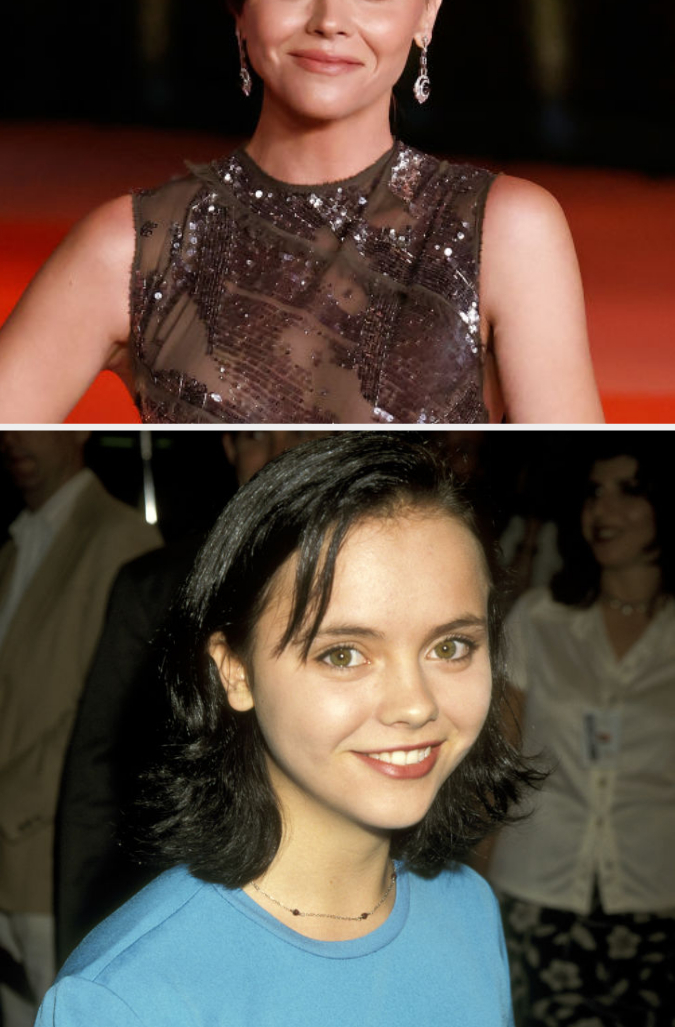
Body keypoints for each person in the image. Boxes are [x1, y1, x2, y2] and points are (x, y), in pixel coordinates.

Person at [0, 0, 602, 425]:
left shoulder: (506, 232)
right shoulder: (131, 251)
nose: (330, 22)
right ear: (240, 4)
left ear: (428, 9)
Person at [36, 432, 538, 1025]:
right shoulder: (128, 995)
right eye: (344, 654)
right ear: (236, 672)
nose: (414, 705)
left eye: (451, 646)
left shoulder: (467, 909)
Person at [54, 429, 330, 963]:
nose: (276, 454)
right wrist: (80, 938)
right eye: (254, 438)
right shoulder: (155, 585)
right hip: (186, 908)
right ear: (227, 448)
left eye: (296, 433)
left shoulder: (376, 577)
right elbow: (97, 771)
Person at [489, 437, 675, 1025]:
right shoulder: (539, 621)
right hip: (537, 888)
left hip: (658, 897)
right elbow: (497, 772)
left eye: (628, 492)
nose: (604, 510)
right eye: (594, 493)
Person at [0, 431, 162, 1027]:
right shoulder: (14, 547)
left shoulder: (123, 540)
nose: (13, 437)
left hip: (55, 866)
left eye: (31, 421)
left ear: (81, 426)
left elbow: (109, 722)